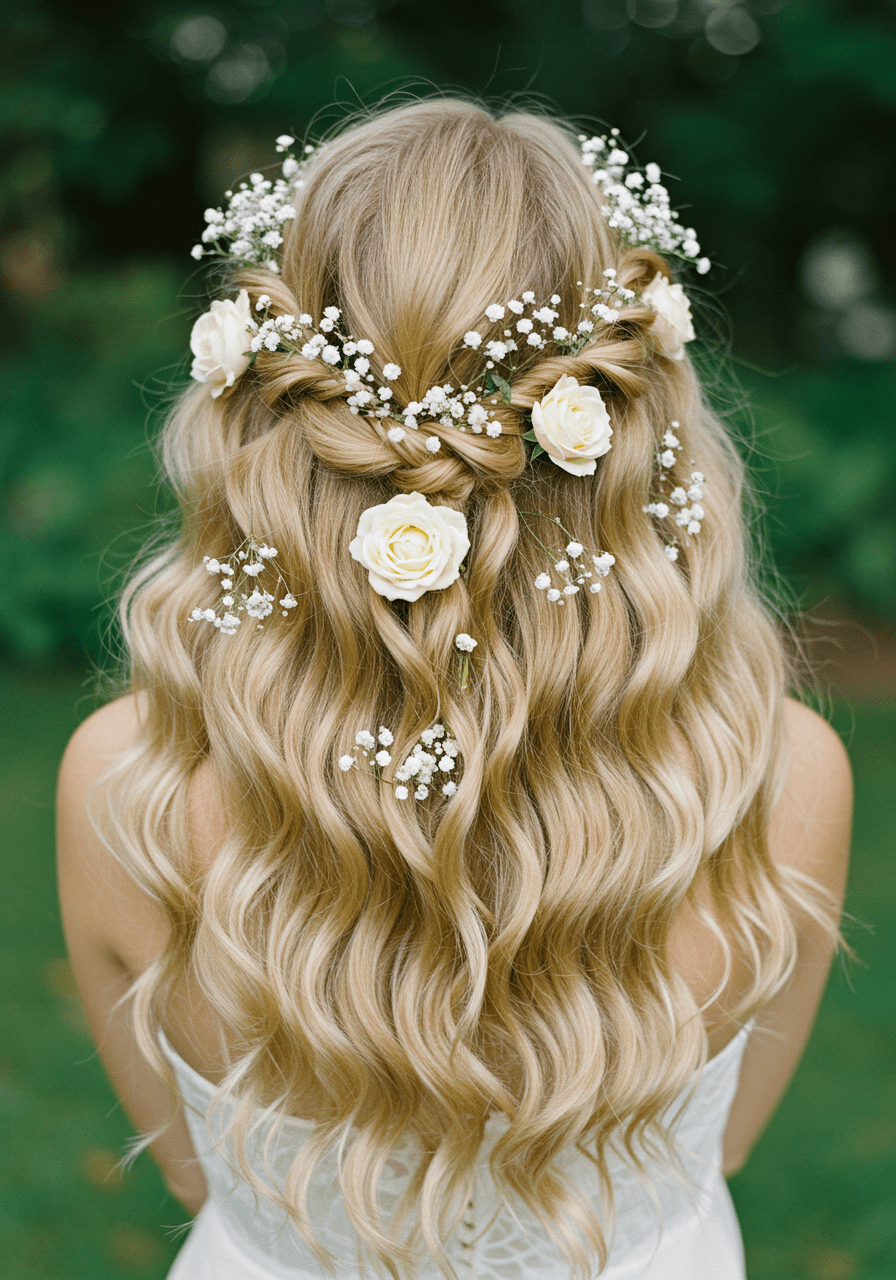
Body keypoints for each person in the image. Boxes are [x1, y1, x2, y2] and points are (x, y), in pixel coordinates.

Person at [56, 98, 853, 1280]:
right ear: (633, 416)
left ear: (256, 409)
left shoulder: (127, 781)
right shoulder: (775, 777)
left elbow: (187, 1168)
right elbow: (716, 1147)